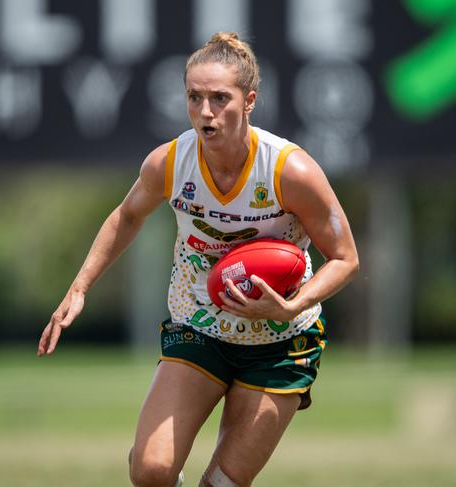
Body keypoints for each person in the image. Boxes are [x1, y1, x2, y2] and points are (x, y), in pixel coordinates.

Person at [37, 32, 359, 487]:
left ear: (249, 101)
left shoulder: (290, 170)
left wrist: (290, 305)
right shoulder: (169, 163)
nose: (205, 112)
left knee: (222, 485)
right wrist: (80, 286)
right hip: (199, 328)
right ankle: (153, 452)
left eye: (220, 98)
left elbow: (346, 258)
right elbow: (126, 217)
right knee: (151, 473)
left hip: (280, 342)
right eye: (194, 97)